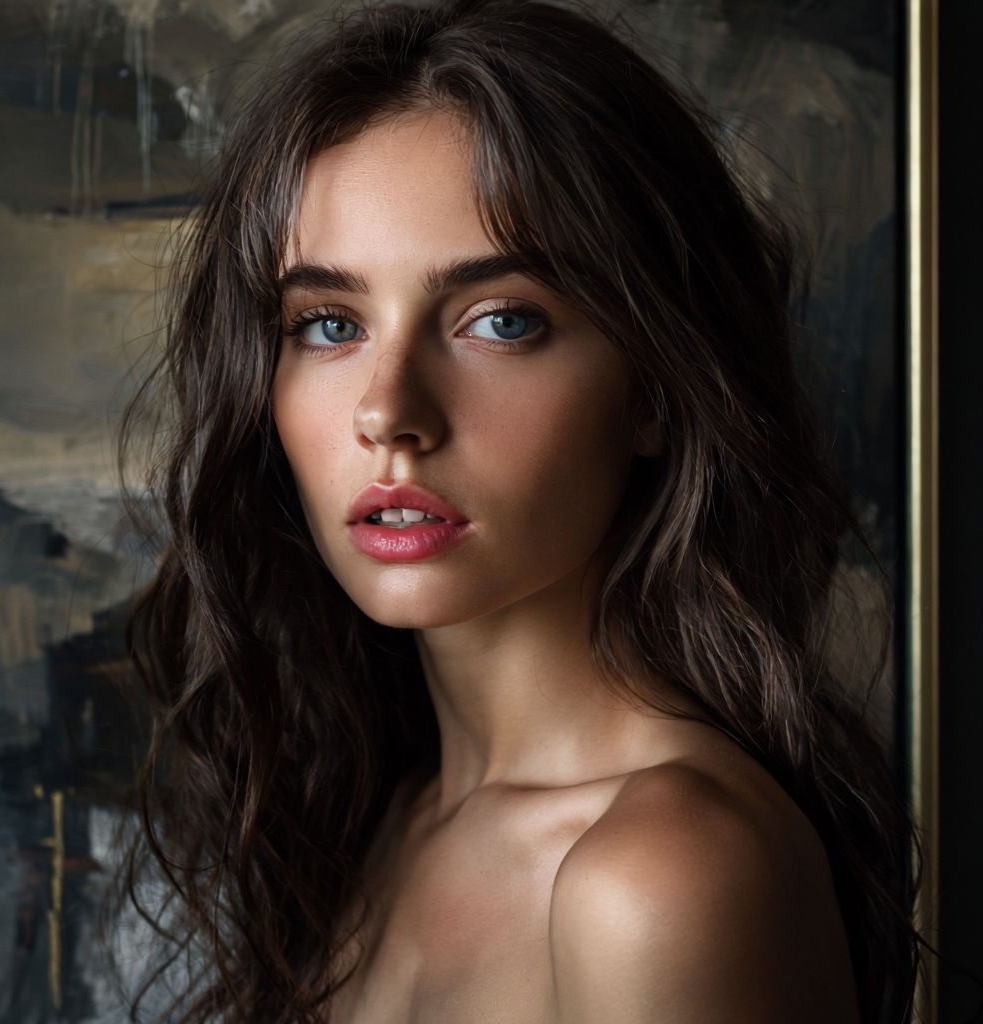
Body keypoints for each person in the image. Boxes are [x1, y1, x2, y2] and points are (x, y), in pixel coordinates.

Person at [120, 1, 920, 1021]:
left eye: (500, 320)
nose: (388, 411)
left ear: (652, 388)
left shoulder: (659, 875)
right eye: (328, 323)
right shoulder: (385, 819)